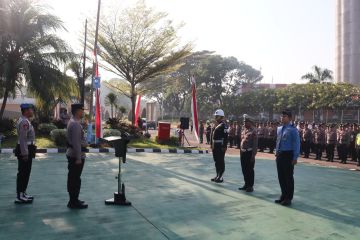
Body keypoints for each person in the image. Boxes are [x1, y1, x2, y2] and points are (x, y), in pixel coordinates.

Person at [275, 109, 300, 206]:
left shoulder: (293, 130)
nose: (282, 118)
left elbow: (297, 144)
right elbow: (278, 141)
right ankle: (283, 195)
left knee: (288, 177)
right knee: (281, 176)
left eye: (284, 116)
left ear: (290, 118)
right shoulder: (279, 129)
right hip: (280, 155)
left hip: (288, 155)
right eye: (281, 116)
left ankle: (289, 198)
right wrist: (276, 152)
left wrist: (295, 157)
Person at [66, 103, 88, 209]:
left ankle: (74, 199)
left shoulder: (75, 122)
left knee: (75, 178)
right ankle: (73, 202)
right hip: (75, 156)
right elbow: (76, 143)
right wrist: (79, 158)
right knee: (74, 179)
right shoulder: (74, 123)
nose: (83, 112)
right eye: (81, 110)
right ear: (77, 111)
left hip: (75, 155)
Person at [14, 103, 36, 204]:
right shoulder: (24, 122)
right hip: (25, 149)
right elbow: (23, 139)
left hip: (26, 149)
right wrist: (25, 153)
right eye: (31, 110)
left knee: (26, 172)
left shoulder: (25, 120)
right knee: (23, 173)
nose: (32, 111)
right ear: (26, 111)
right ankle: (20, 196)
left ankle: (23, 192)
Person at [239, 114, 258, 192]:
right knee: (244, 169)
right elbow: (241, 141)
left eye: (246, 121)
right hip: (243, 152)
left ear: (250, 122)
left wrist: (253, 155)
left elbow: (255, 144)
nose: (244, 123)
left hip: (249, 153)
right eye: (244, 122)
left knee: (250, 169)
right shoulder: (244, 130)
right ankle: (246, 184)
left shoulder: (253, 131)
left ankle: (250, 186)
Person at [210, 109, 228, 183]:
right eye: (215, 116)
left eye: (217, 116)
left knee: (220, 160)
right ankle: (217, 175)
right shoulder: (215, 125)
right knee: (216, 161)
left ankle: (221, 177)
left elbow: (226, 137)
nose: (215, 117)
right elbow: (212, 135)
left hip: (220, 146)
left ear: (221, 117)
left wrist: (224, 146)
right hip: (215, 145)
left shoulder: (224, 126)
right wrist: (211, 144)